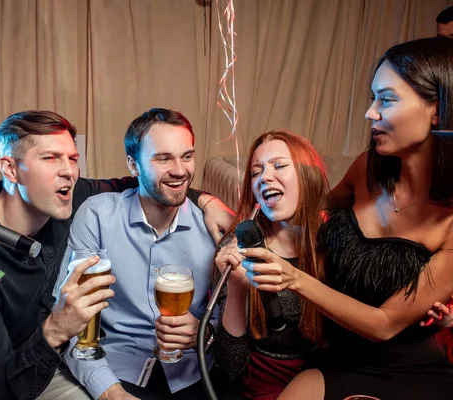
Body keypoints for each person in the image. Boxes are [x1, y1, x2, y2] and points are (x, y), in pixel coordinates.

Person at [0, 110, 234, 400]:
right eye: (51, 158)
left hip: (88, 362)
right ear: (10, 168)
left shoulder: (69, 196)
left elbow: (151, 184)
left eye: (73, 158)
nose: (70, 171)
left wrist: (206, 201)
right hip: (28, 376)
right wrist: (54, 330)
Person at [240, 36, 453, 400]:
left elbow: (384, 325)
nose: (370, 112)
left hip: (410, 369)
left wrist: (294, 277)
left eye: (386, 99)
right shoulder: (366, 168)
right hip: (337, 358)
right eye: (372, 98)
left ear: (436, 110)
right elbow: (308, 206)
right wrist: (210, 202)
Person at [55, 108, 226, 400]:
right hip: (118, 372)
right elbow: (72, 320)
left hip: (193, 375)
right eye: (163, 158)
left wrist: (204, 333)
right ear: (133, 165)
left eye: (187, 156)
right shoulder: (97, 215)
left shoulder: (212, 225)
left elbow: (232, 314)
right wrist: (109, 391)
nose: (180, 170)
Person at [213, 130, 328, 400]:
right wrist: (237, 286)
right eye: (256, 172)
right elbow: (229, 368)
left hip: (328, 380)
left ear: (307, 174)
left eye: (279, 165)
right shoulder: (239, 244)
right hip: (259, 387)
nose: (264, 177)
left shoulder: (336, 239)